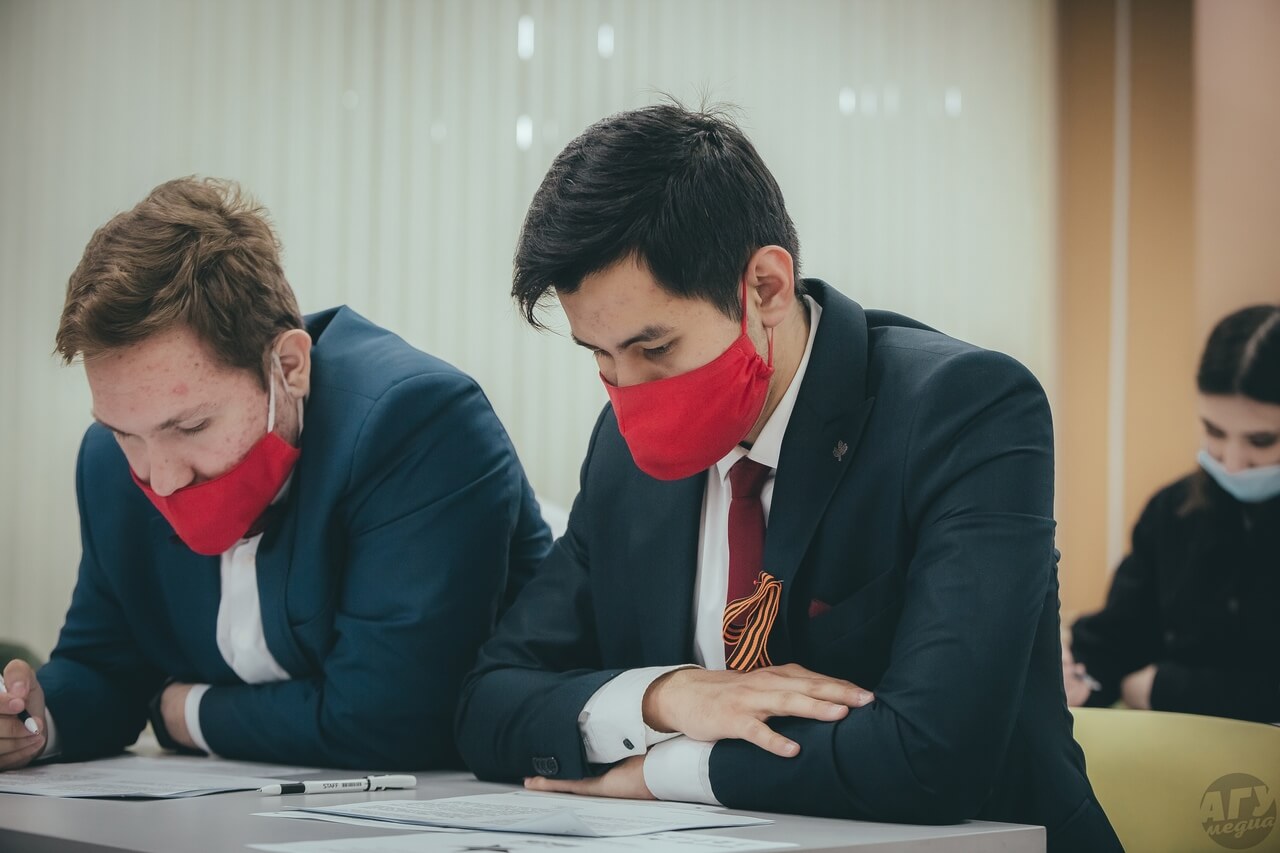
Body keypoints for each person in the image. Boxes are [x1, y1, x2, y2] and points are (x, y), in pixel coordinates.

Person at [455, 104, 1120, 851]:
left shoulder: (963, 411)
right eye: (600, 357)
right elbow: (490, 702)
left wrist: (666, 768)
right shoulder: (620, 455)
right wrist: (666, 697)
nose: (627, 390)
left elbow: (934, 755)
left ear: (766, 288)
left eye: (655, 348)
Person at [0, 177, 551, 771]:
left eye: (191, 426)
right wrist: (32, 722)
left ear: (289, 367)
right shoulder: (107, 465)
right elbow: (105, 665)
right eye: (124, 432)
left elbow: (393, 717)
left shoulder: (415, 423)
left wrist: (184, 713)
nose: (160, 479)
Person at [1067, 304, 1280, 722]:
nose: (1233, 463)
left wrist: (1163, 688)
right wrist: (1080, 674)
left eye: (1261, 440)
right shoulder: (1172, 510)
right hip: (1176, 754)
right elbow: (1121, 634)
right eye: (1215, 432)